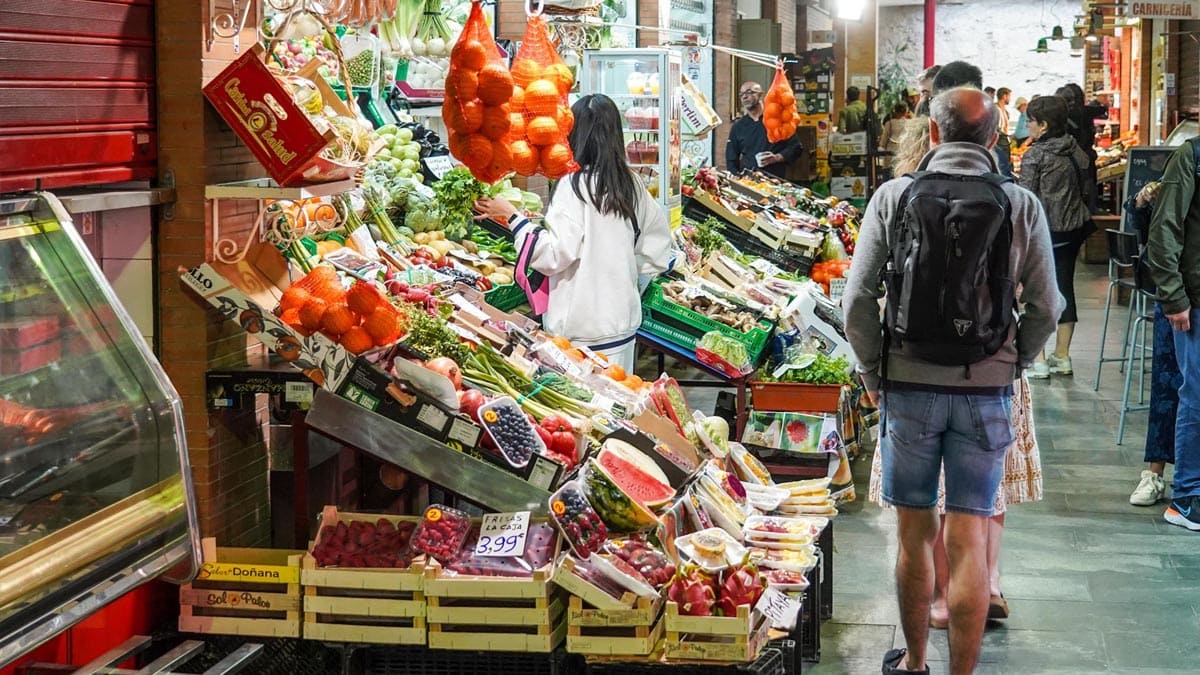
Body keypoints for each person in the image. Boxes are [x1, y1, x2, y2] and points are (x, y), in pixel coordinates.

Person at [843, 87, 1062, 675]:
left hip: (908, 387)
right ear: (995, 139)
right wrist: (1013, 363)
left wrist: (872, 373)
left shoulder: (894, 196)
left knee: (915, 535)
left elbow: (857, 299)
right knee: (968, 534)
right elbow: (1048, 304)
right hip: (985, 387)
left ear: (933, 135)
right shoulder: (1020, 204)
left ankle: (914, 664)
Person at [473, 94, 674, 372]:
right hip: (621, 322)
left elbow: (555, 255)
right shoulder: (631, 183)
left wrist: (513, 216)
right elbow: (657, 249)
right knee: (621, 402)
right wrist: (620, 276)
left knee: (590, 409)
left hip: (581, 330)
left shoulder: (573, 186)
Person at [1018, 96, 1092, 379]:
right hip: (1073, 230)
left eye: (1031, 121)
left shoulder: (1036, 155)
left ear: (1044, 125)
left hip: (1044, 232)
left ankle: (1037, 360)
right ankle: (1063, 356)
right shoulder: (1075, 149)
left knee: (1034, 291)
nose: (1028, 126)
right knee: (1065, 288)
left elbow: (1026, 197)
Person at [1147, 138, 1200, 531]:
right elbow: (1164, 228)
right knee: (1196, 396)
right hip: (1195, 300)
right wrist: (1174, 295)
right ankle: (1186, 497)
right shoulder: (1192, 155)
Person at [1125, 181, 1182, 506]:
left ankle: (1183, 477)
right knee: (1167, 383)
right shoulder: (1187, 162)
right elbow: (1142, 223)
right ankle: (1154, 472)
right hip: (1175, 293)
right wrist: (1144, 199)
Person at [725, 81, 805, 180]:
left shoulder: (777, 120)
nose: (744, 97)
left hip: (775, 182)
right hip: (749, 182)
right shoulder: (738, 127)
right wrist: (735, 178)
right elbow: (731, 158)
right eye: (742, 94)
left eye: (749, 92)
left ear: (761, 95)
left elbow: (796, 147)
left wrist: (777, 158)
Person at [994, 87, 1013, 177]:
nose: (1010, 99)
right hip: (999, 140)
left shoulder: (1006, 111)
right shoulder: (995, 109)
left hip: (1005, 141)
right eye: (1009, 96)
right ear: (1004, 96)